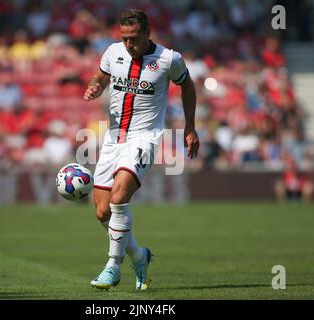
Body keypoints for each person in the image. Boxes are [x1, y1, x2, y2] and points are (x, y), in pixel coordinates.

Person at [83, 9, 199, 290]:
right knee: (101, 211)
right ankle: (139, 255)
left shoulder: (168, 59)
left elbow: (188, 86)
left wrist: (190, 127)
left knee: (120, 195)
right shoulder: (112, 53)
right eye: (124, 38)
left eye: (134, 38)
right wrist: (95, 87)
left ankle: (113, 267)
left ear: (148, 33)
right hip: (113, 138)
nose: (128, 44)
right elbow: (100, 77)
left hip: (144, 138)